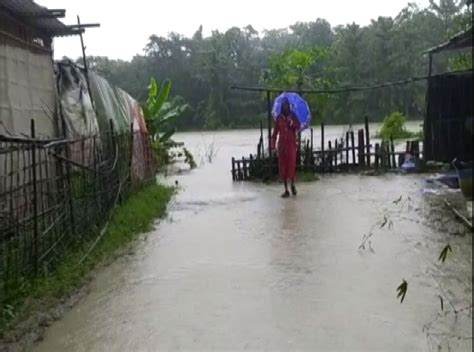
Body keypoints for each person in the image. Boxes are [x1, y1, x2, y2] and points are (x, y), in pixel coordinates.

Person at [271, 98, 301, 198]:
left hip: (291, 145)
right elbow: (275, 133)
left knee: (291, 165)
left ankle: (292, 184)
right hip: (282, 146)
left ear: (288, 107)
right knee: (283, 167)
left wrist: (291, 123)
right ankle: (286, 190)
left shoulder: (293, 116)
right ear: (281, 107)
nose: (285, 107)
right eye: (283, 106)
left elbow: (298, 125)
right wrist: (273, 145)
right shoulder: (278, 118)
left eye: (286, 106)